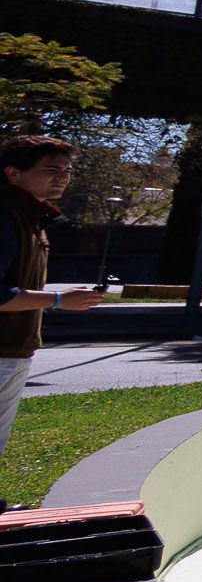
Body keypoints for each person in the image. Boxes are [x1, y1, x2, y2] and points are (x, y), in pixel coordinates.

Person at [0, 138, 107, 485]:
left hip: (15, 350)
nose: (62, 177)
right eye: (51, 170)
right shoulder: (6, 216)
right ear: (13, 173)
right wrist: (59, 301)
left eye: (67, 170)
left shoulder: (31, 217)